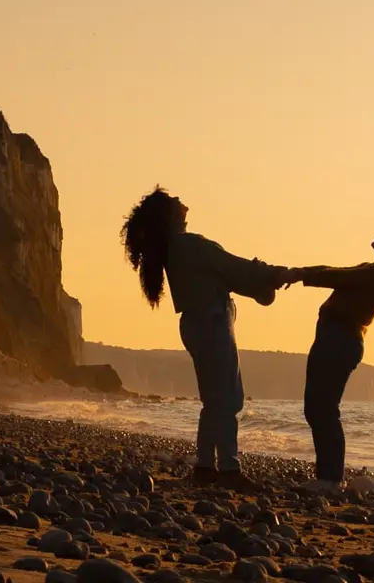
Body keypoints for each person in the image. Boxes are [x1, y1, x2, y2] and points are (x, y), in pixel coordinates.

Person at [121, 186, 291, 491]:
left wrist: (261, 282)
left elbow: (227, 272)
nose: (180, 200)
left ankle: (205, 466)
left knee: (214, 400)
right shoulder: (188, 245)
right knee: (226, 399)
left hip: (198, 322)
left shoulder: (176, 248)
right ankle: (227, 469)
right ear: (170, 214)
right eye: (174, 200)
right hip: (211, 321)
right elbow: (231, 266)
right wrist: (270, 275)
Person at [286, 226, 374, 495]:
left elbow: (339, 277)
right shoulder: (372, 270)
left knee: (322, 408)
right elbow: (338, 272)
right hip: (332, 336)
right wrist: (301, 272)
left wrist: (301, 274)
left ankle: (330, 479)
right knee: (317, 407)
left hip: (340, 340)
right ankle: (327, 476)